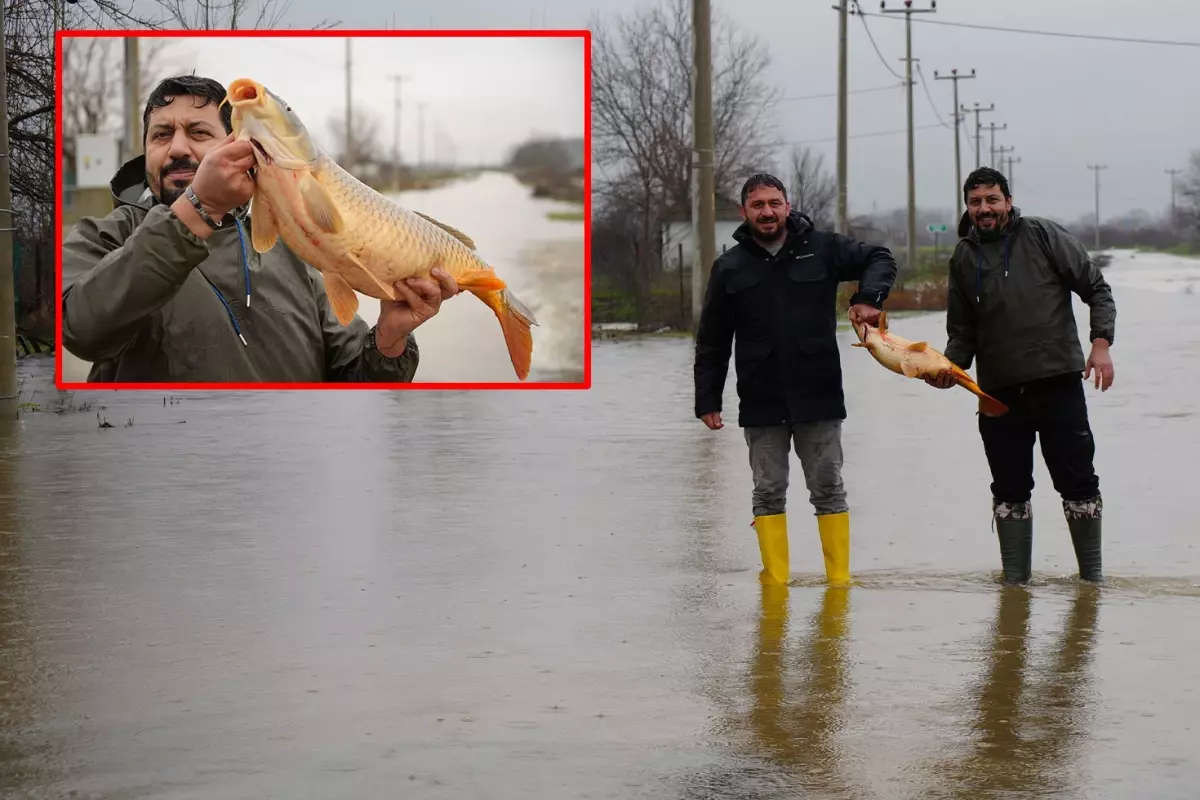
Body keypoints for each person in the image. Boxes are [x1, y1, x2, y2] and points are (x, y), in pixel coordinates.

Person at [61, 74, 459, 383]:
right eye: (161, 135)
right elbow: (80, 329)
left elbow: (356, 388)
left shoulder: (293, 249)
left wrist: (389, 341)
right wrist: (200, 207)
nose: (178, 148)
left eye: (199, 133)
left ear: (239, 144)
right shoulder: (105, 236)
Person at [693, 173, 898, 587]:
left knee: (828, 489)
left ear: (787, 206)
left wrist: (867, 298)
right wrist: (707, 399)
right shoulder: (729, 266)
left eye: (774, 203)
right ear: (744, 212)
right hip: (760, 399)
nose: (767, 212)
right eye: (757, 205)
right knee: (767, 492)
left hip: (818, 394)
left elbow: (881, 257)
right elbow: (712, 340)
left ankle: (839, 586)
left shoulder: (823, 248)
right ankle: (776, 589)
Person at [926, 167, 1116, 584]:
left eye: (992, 199)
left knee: (1078, 482)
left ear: (1008, 201)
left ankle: (1092, 585)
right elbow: (962, 332)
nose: (984, 208)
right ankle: (1015, 588)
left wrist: (1100, 344)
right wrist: (947, 369)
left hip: (1057, 383)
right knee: (1009, 490)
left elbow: (1096, 287)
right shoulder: (962, 256)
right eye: (975, 201)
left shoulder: (1043, 235)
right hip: (997, 394)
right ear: (968, 207)